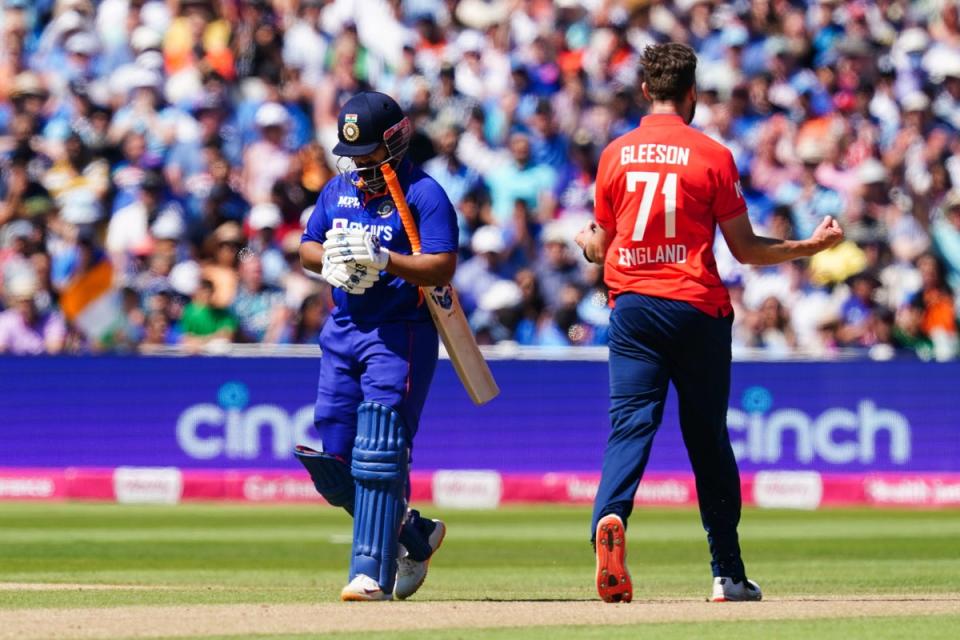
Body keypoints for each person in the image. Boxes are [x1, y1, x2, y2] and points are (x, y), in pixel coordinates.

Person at [575, 43, 844, 604]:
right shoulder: (712, 155)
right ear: (692, 91)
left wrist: (586, 244)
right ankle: (727, 573)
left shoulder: (615, 154)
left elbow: (602, 244)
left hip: (632, 310)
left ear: (646, 90)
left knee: (630, 427)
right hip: (696, 308)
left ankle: (611, 517)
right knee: (707, 440)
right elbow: (745, 251)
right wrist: (810, 245)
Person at [296, 91, 456, 601]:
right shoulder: (339, 189)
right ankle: (412, 531)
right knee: (336, 465)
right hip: (343, 330)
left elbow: (442, 266)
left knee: (380, 450)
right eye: (354, 155)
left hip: (399, 333)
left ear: (395, 140)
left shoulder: (425, 194)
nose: (360, 165)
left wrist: (385, 260)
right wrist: (331, 262)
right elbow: (307, 245)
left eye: (369, 154)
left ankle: (370, 573)